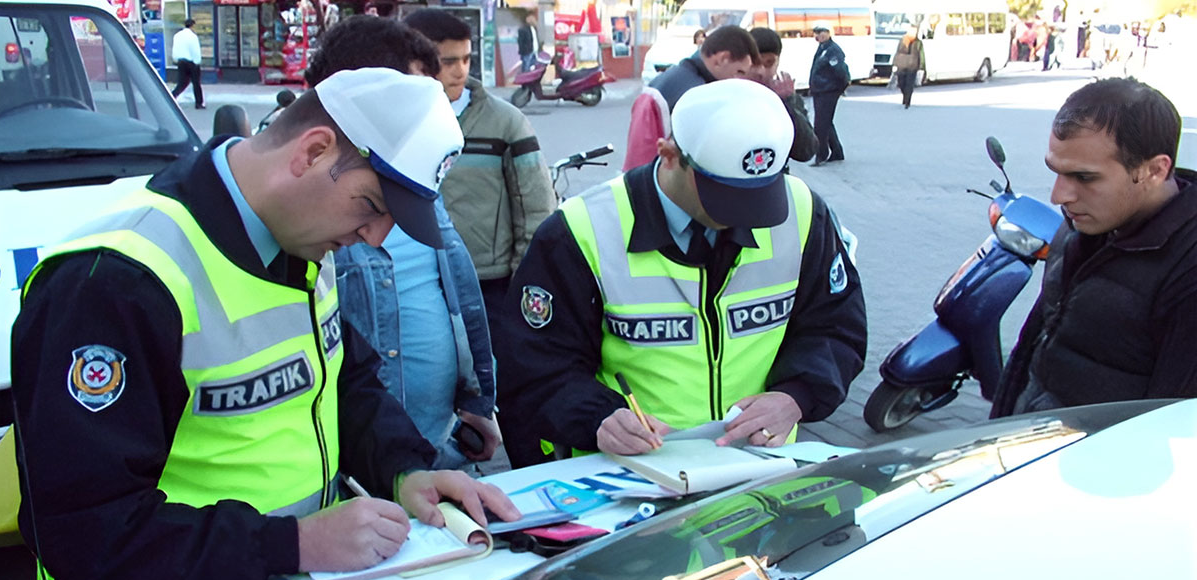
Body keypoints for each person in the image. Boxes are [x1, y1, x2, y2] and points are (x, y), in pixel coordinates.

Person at [12, 68, 520, 580]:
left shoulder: (300, 235)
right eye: (372, 206)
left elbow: (342, 379)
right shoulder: (114, 281)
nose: (374, 237)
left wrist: (406, 471)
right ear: (313, 151)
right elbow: (86, 528)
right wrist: (294, 544)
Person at [497, 79, 866, 467]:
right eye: (724, 194)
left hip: (758, 464)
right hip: (630, 473)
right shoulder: (583, 229)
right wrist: (597, 417)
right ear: (669, 154)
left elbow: (835, 325)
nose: (743, 216)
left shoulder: (801, 212)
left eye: (759, 194)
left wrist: (796, 397)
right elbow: (533, 364)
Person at [305, 15, 503, 470]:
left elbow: (458, 292)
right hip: (365, 467)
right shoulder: (315, 217)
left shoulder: (412, 174)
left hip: (438, 447)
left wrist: (477, 398)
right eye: (414, 101)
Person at [991, 78, 1197, 417]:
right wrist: (999, 427)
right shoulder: (1082, 223)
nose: (1059, 196)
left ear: (1155, 170)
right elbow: (1032, 345)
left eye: (1084, 177)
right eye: (1056, 172)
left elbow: (1172, 424)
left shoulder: (1187, 273)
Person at [404, 9, 556, 384]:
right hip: (415, 283)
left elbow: (536, 207)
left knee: (495, 385)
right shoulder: (396, 121)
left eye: (466, 59)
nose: (459, 71)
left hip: (489, 285)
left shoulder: (505, 122)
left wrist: (522, 279)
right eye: (448, 61)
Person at [623, 25, 759, 170]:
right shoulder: (698, 95)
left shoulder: (671, 80)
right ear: (722, 59)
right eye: (739, 72)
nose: (740, 80)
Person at [749, 27, 817, 163]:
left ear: (778, 62)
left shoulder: (786, 96)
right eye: (755, 63)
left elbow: (806, 151)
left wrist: (787, 103)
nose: (761, 71)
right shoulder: (730, 91)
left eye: (769, 63)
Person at [809, 22, 849, 166]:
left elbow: (840, 71)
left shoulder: (833, 50)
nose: (818, 35)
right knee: (826, 122)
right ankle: (837, 151)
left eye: (821, 32)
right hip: (820, 90)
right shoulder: (822, 48)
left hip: (828, 90)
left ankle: (821, 154)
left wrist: (840, 87)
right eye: (816, 33)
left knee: (820, 124)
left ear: (828, 33)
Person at [170, 18, 204, 109]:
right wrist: (197, 61)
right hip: (191, 62)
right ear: (192, 26)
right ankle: (199, 103)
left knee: (182, 82)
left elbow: (175, 48)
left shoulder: (177, 35)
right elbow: (195, 50)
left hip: (181, 61)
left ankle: (172, 96)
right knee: (196, 83)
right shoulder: (193, 36)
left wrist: (175, 58)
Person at [893, 23, 923, 109]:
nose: (914, 33)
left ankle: (907, 101)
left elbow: (921, 55)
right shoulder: (902, 40)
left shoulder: (918, 42)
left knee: (909, 84)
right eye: (912, 31)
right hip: (901, 65)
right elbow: (897, 53)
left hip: (913, 66)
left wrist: (921, 66)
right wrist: (895, 64)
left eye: (915, 32)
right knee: (901, 83)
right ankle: (905, 96)